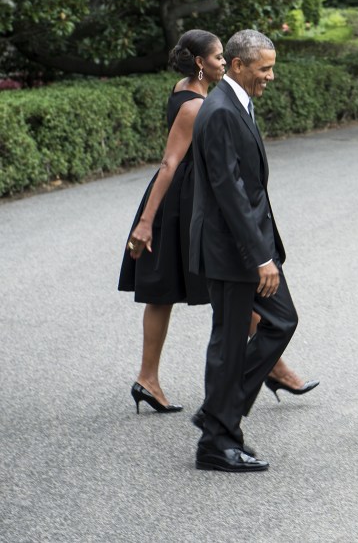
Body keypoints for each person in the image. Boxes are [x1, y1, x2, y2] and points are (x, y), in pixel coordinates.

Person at [118, 30, 316, 416]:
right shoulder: (199, 105)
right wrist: (146, 222)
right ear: (200, 63)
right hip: (185, 203)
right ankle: (253, 377)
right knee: (213, 292)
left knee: (189, 294)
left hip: (195, 198)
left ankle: (157, 378)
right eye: (218, 58)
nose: (223, 63)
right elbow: (170, 162)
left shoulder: (191, 90)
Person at [188, 29, 299, 472]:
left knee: (280, 322)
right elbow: (228, 191)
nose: (270, 76)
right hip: (233, 251)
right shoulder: (218, 111)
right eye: (264, 68)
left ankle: (219, 416)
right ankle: (216, 440)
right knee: (229, 343)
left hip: (246, 246)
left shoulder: (236, 104)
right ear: (237, 65)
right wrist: (260, 257)